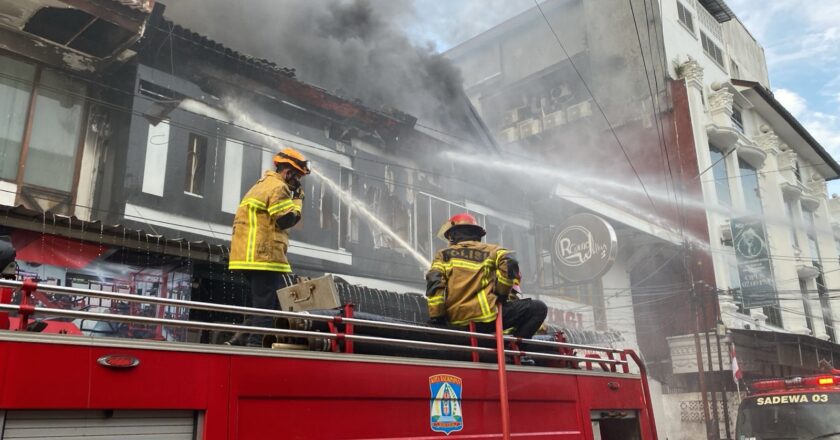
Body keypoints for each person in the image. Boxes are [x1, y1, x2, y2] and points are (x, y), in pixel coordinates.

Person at [226, 147, 310, 346]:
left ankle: (239, 341)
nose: (297, 183)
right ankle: (256, 346)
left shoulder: (261, 185)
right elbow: (286, 220)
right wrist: (298, 201)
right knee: (266, 306)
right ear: (287, 172)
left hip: (249, 256)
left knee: (275, 302)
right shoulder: (278, 187)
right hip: (263, 257)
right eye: (297, 177)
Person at [425, 213, 547, 341]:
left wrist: (437, 317)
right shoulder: (492, 250)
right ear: (476, 233)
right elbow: (510, 261)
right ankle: (517, 347)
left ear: (452, 235)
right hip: (486, 317)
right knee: (539, 308)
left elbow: (435, 283)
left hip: (456, 319)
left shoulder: (443, 255)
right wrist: (501, 293)